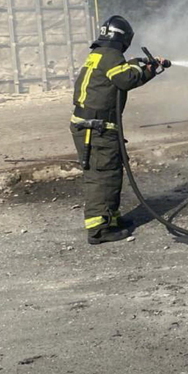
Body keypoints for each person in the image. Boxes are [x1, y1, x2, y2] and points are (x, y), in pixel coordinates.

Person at [69, 16, 162, 244]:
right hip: (97, 128)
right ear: (124, 38)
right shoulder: (111, 55)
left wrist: (148, 70)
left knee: (110, 173)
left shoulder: (99, 54)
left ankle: (111, 218)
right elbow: (126, 79)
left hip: (95, 126)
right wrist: (138, 67)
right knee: (102, 176)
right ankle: (99, 229)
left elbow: (122, 77)